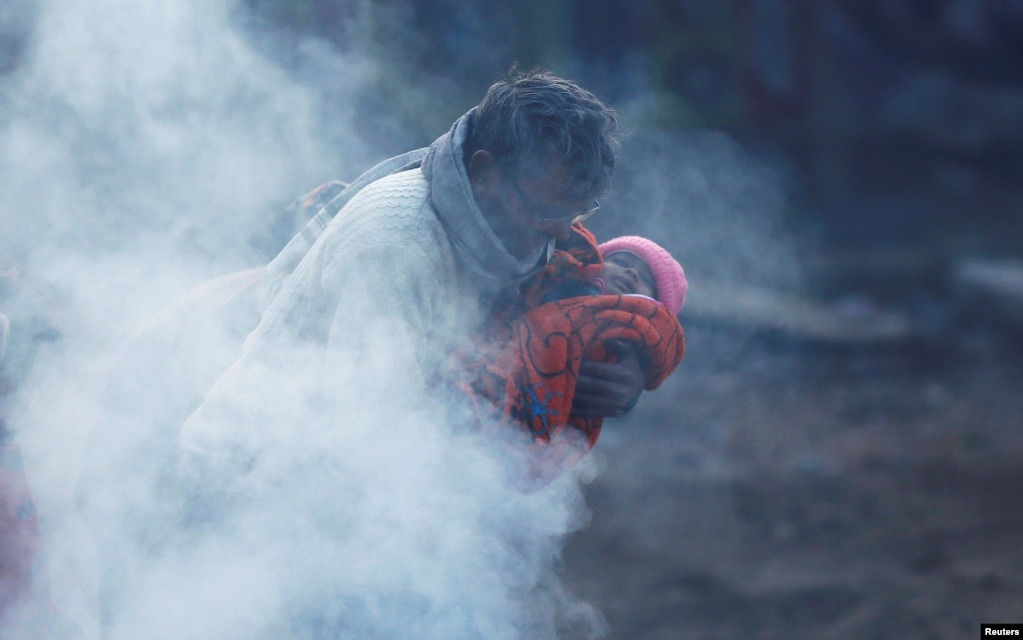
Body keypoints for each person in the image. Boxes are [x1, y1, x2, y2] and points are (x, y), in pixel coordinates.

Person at [179, 67, 641, 489]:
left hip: (342, 477)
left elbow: (543, 335)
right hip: (252, 480)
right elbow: (374, 430)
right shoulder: (396, 243)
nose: (563, 233)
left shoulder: (521, 225)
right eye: (546, 210)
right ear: (484, 173)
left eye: (577, 211)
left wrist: (616, 379)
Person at [442, 228, 688, 484]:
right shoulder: (556, 274)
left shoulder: (627, 332)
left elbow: (655, 341)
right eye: (622, 262)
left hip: (533, 419)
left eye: (648, 280)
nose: (632, 272)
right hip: (480, 371)